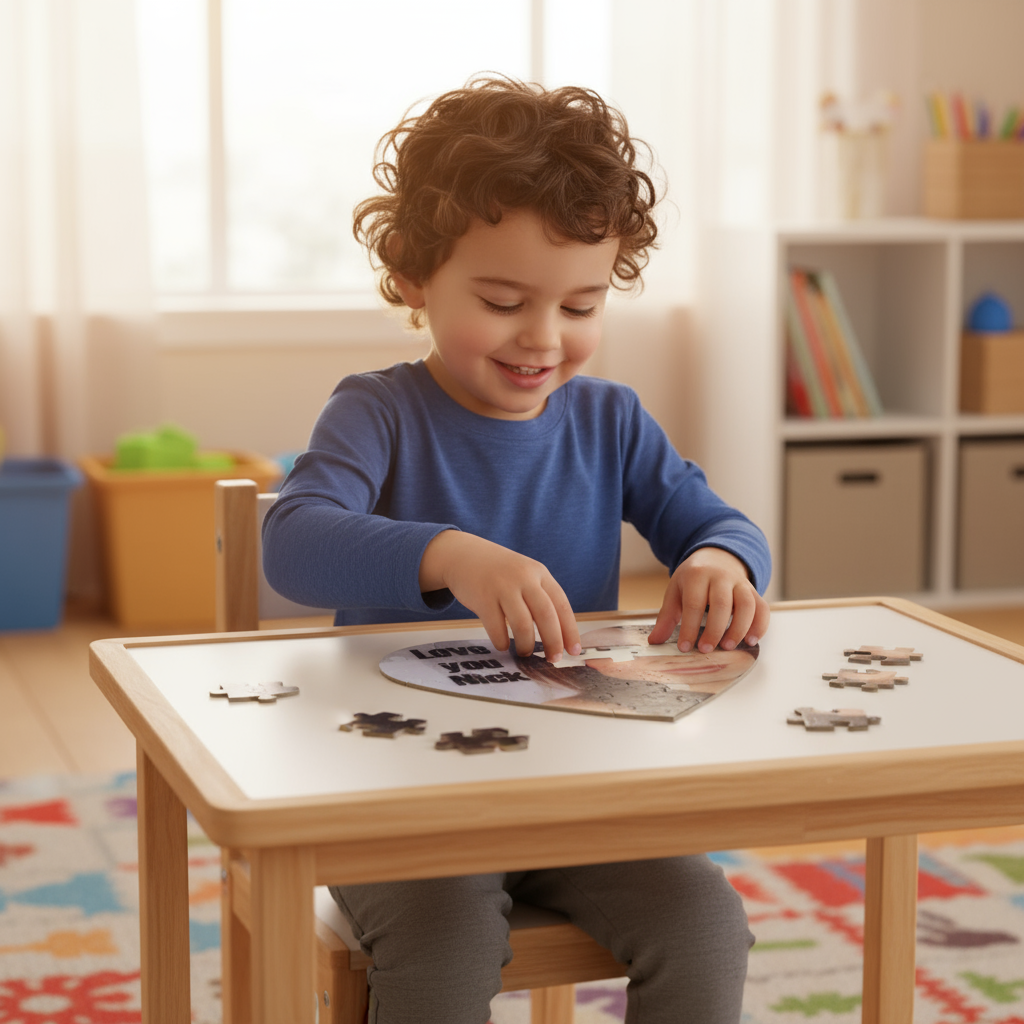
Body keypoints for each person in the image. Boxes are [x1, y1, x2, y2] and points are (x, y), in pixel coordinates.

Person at [263, 75, 772, 1024]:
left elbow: (717, 521)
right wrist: (453, 554)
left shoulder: (612, 420)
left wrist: (720, 561)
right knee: (451, 943)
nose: (544, 338)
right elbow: (291, 542)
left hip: (572, 791)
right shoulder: (376, 409)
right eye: (502, 299)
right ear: (414, 279)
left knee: (705, 925)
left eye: (581, 306)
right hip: (400, 799)